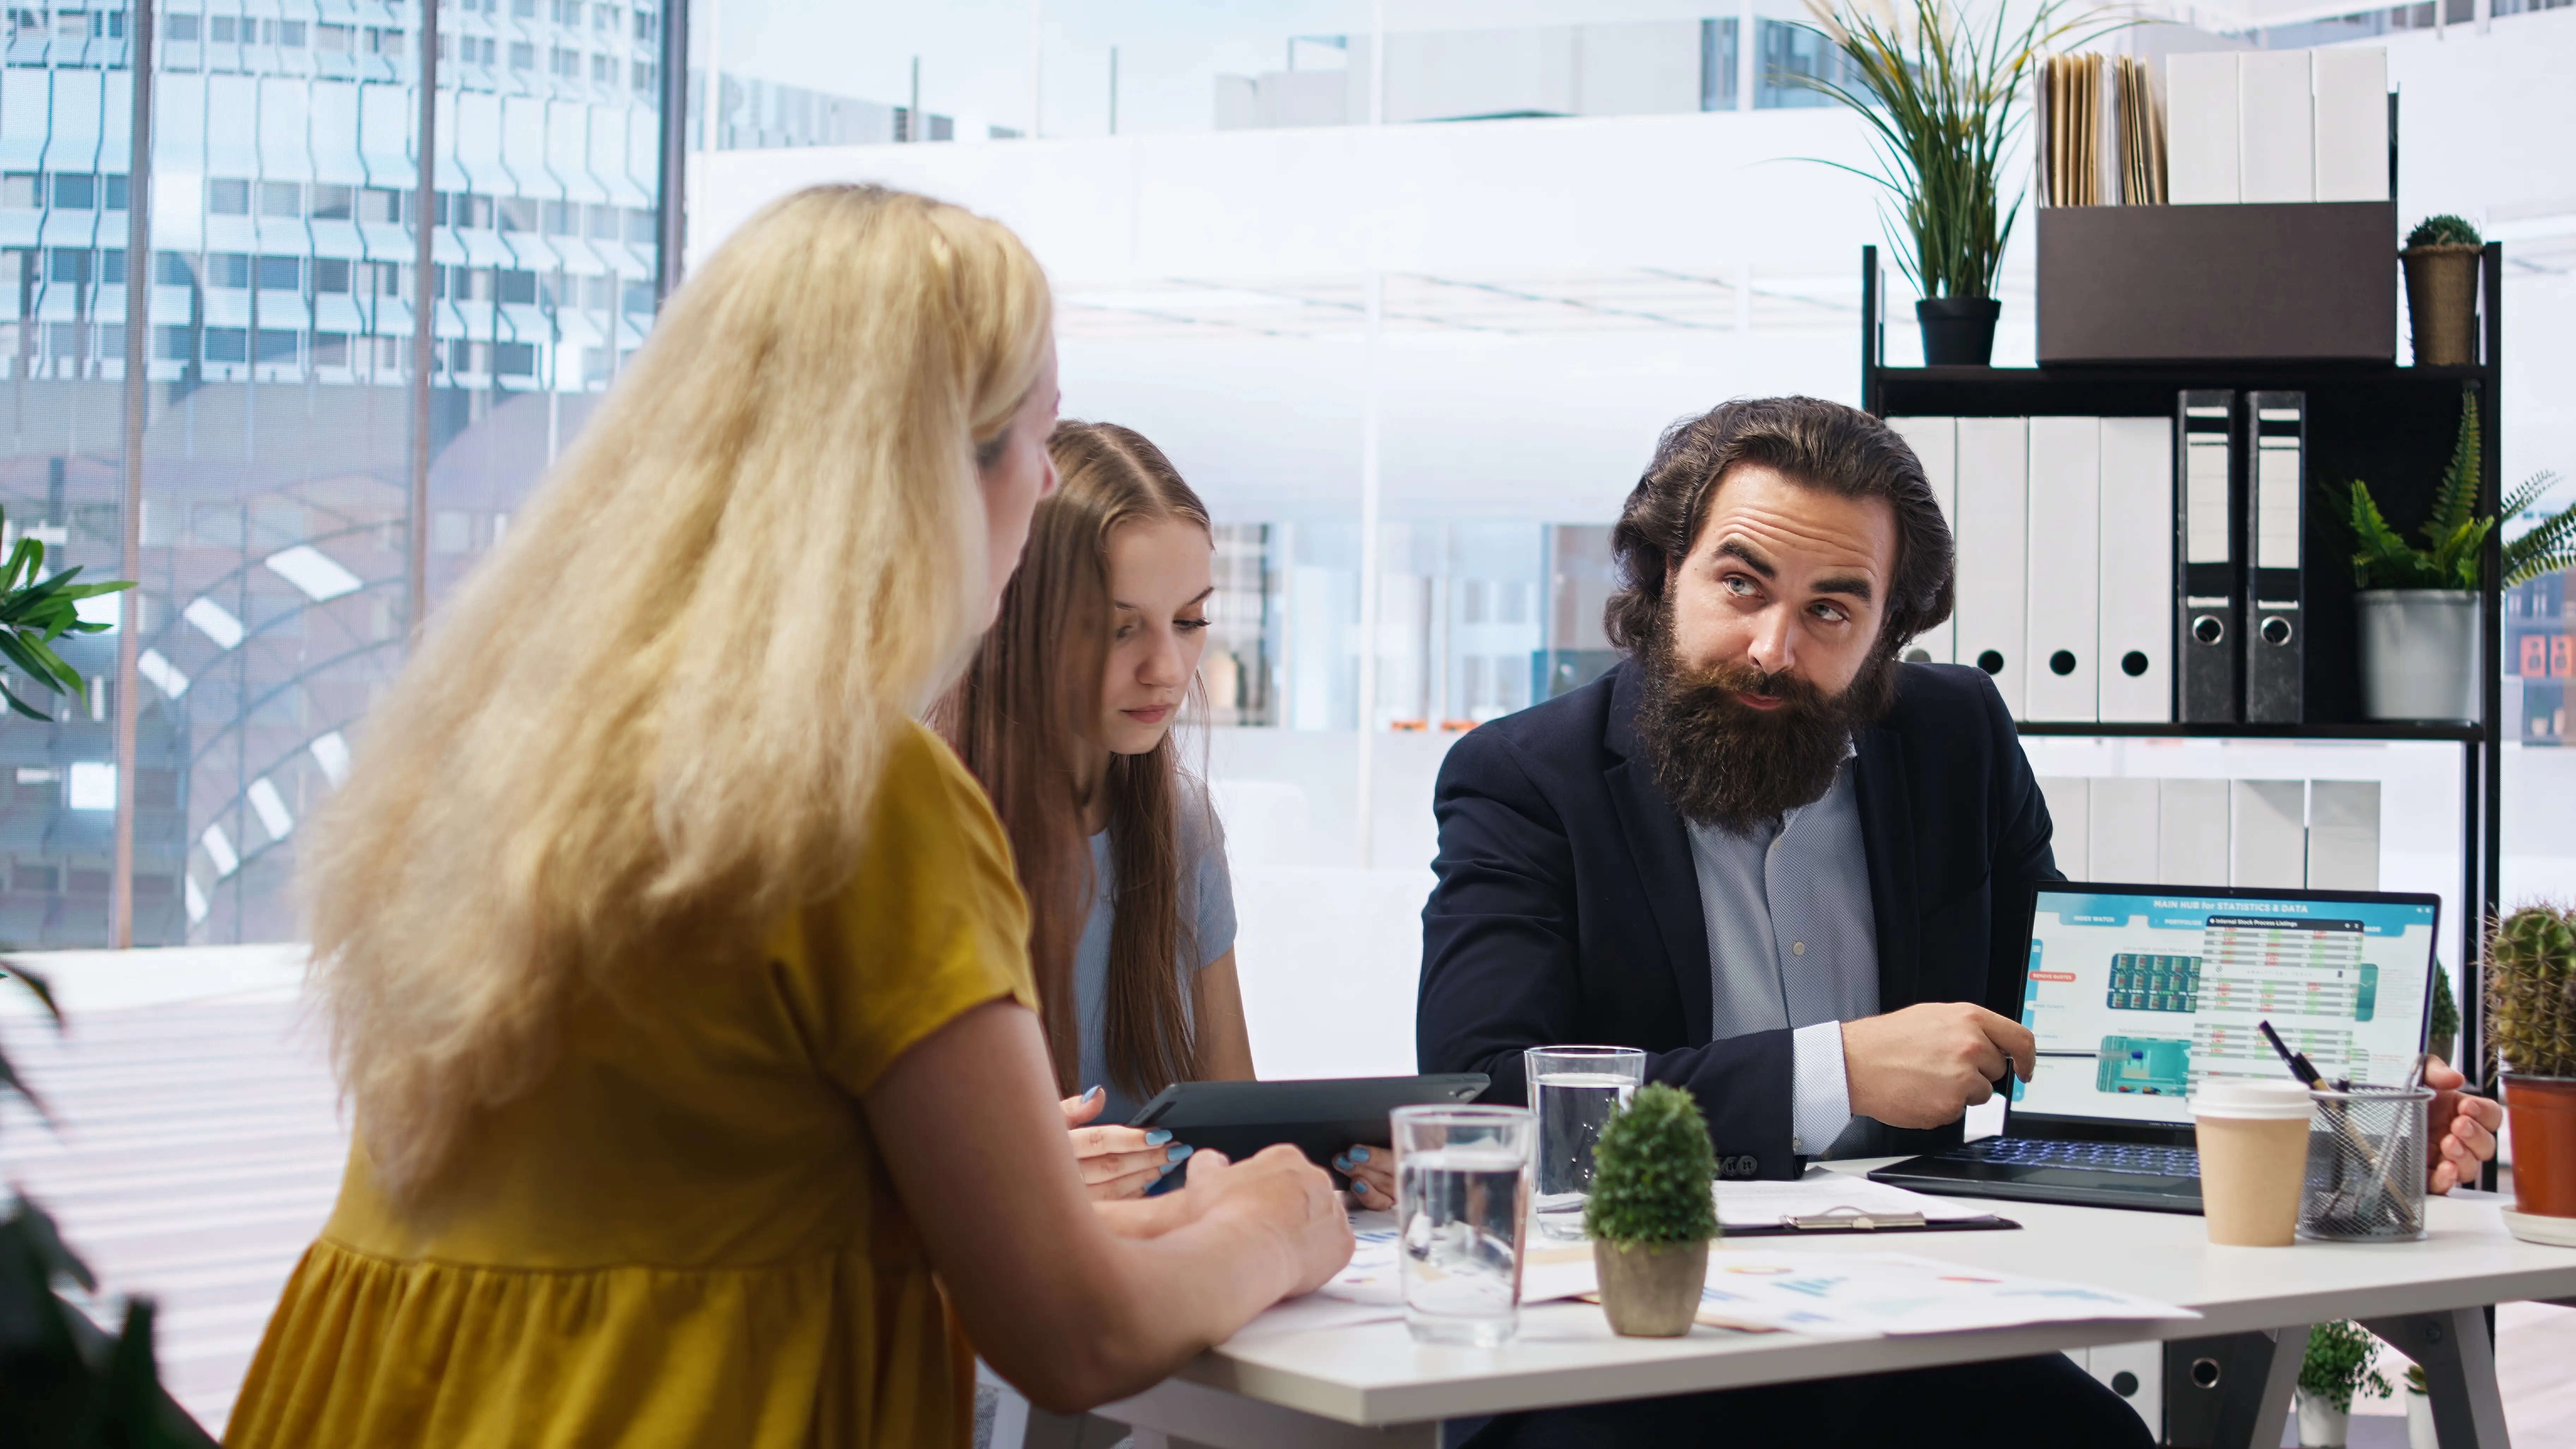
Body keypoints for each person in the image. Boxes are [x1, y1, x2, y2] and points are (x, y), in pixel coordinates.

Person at [224, 185, 1350, 1449]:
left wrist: (1142, 1214)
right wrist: (1273, 1225)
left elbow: (726, 1199)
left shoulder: (504, 751)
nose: (1046, 483)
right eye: (1036, 436)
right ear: (924, 471)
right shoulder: (864, 793)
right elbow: (1069, 1335)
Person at [1415, 396, 2500, 1447]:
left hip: (1892, 1309)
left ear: (1887, 629)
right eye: (1740, 585)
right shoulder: (1525, 777)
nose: (1773, 647)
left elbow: (2065, 1016)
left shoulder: (1952, 737)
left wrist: (2351, 1112)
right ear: (1663, 574)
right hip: (1624, 1329)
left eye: (1831, 610)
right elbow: (1484, 1091)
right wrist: (1837, 1071)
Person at [936, 422, 1396, 1208]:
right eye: (1121, 628)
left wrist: (1333, 1173)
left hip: (1172, 1252)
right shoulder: (916, 826)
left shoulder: (1181, 825)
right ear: (1015, 619)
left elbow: (1234, 1120)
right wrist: (1013, 1176)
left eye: (1188, 622)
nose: (1167, 668)